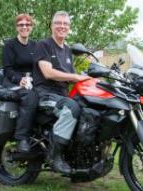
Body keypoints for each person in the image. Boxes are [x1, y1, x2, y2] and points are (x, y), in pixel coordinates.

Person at [33, 11, 91, 174]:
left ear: (69, 28)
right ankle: (54, 156)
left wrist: (90, 78)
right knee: (70, 109)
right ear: (52, 25)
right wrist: (76, 76)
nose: (62, 26)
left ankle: (77, 154)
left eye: (65, 24)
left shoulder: (67, 50)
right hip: (44, 94)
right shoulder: (43, 45)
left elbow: (72, 78)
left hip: (61, 94)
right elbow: (48, 73)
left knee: (88, 109)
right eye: (58, 23)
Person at [2, 13, 38, 152]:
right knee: (30, 97)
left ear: (31, 27)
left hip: (32, 82)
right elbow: (7, 70)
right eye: (21, 25)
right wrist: (20, 80)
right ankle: (21, 137)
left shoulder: (36, 45)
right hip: (13, 82)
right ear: (16, 27)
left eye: (27, 24)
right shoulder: (10, 45)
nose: (24, 27)